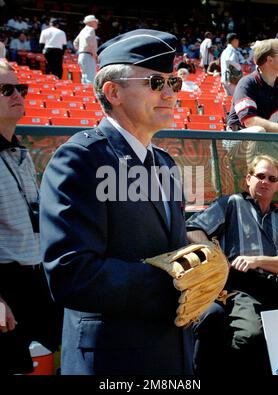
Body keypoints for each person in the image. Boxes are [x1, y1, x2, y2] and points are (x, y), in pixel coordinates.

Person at [40, 28, 193, 375]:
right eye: (156, 82)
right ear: (113, 92)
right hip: (113, 360)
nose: (169, 93)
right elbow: (70, 273)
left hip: (172, 354)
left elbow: (170, 247)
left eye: (174, 83)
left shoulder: (165, 162)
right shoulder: (80, 159)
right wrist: (178, 284)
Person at [186, 154, 278, 376]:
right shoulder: (230, 203)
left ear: (277, 185)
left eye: (272, 178)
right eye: (260, 176)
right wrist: (217, 256)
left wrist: (255, 260)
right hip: (241, 286)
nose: (265, 181)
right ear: (248, 179)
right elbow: (192, 229)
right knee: (250, 336)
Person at [0, 60, 62, 374]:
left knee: (68, 348)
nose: (17, 95)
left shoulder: (21, 154)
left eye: (20, 88)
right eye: (5, 89)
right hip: (5, 284)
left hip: (37, 278)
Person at [227, 38, 278, 133]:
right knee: (259, 131)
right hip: (237, 139)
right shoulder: (247, 83)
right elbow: (250, 121)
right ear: (269, 59)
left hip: (268, 140)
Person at [73, 15, 99, 84]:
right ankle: (89, 94)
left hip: (82, 55)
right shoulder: (90, 29)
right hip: (88, 55)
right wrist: (93, 53)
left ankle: (85, 93)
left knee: (84, 78)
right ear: (91, 22)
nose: (97, 23)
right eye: (95, 22)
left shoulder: (83, 30)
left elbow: (75, 42)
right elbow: (88, 38)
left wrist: (81, 49)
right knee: (90, 78)